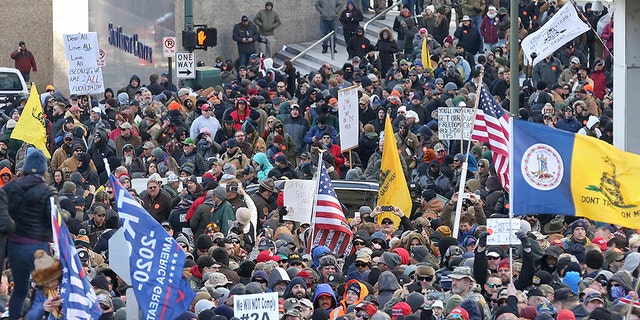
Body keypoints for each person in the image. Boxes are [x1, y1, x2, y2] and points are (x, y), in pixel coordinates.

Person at [5, 150, 55, 319]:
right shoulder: (47, 191)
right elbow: (54, 219)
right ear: (44, 170)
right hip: (38, 248)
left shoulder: (11, 187)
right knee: (48, 289)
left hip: (15, 247)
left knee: (19, 290)